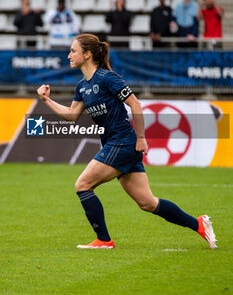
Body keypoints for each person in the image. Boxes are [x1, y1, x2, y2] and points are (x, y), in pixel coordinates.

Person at [37, 33, 217, 250]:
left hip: (122, 141)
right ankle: (198, 224)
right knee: (148, 203)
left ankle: (104, 240)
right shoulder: (82, 86)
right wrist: (46, 100)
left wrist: (141, 137)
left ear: (87, 54)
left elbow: (135, 104)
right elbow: (72, 115)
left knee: (83, 185)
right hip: (117, 144)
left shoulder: (107, 78)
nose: (68, 55)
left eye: (73, 51)